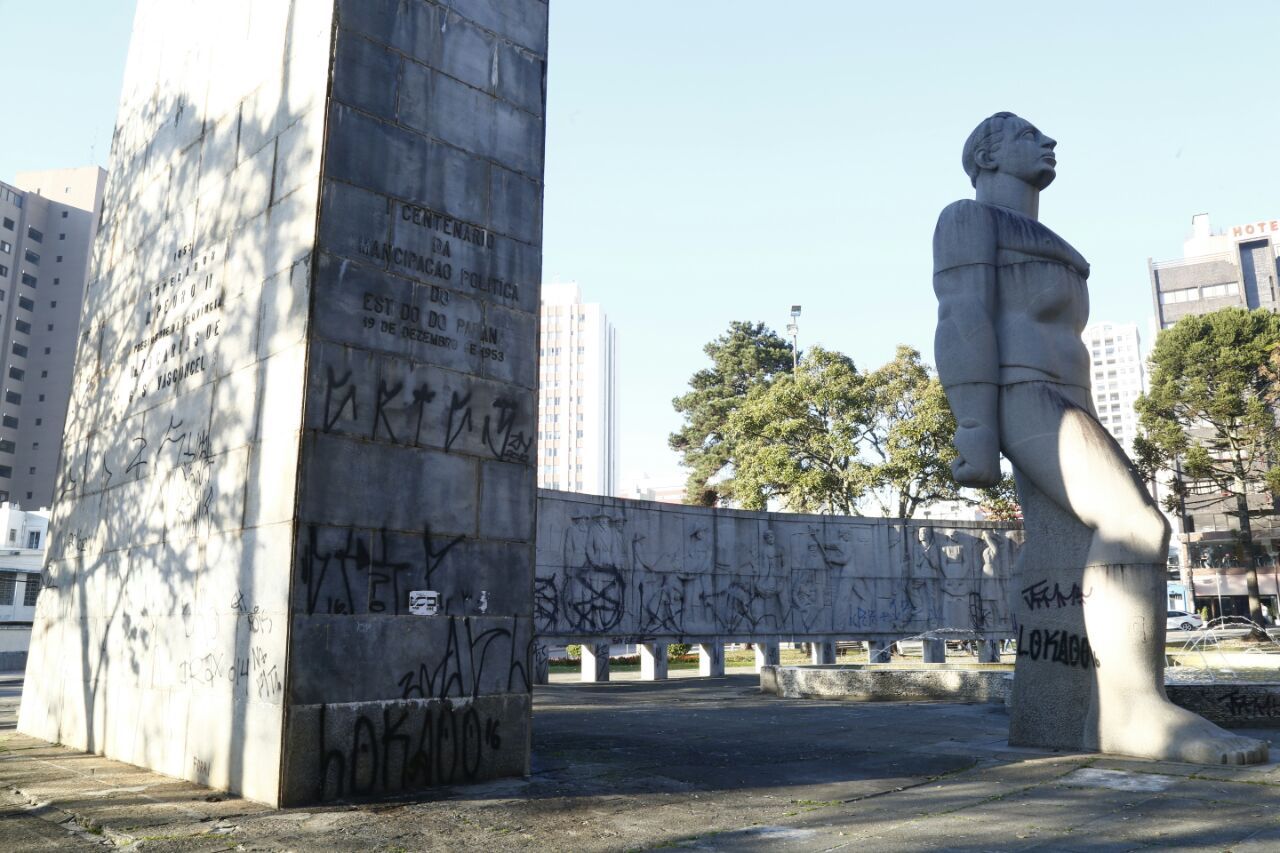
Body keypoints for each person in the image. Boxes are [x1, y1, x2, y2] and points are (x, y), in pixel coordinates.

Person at [933, 112, 1265, 765]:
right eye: (1030, 135)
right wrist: (974, 425)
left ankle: (1065, 713)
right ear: (991, 153)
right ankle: (1131, 706)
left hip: (1066, 399)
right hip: (1023, 395)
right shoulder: (967, 219)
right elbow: (961, 315)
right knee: (1134, 524)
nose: (1048, 143)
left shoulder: (1042, 234)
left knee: (1080, 540)